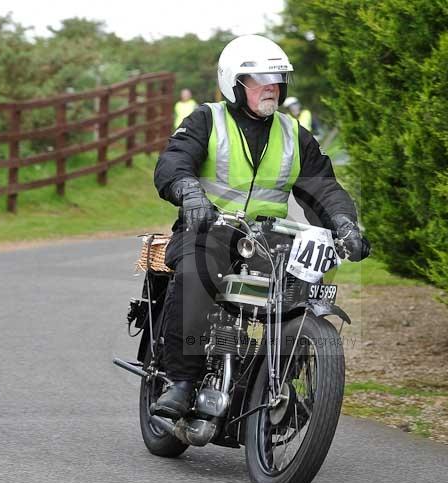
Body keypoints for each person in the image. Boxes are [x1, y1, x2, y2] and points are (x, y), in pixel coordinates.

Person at [152, 34, 370, 418]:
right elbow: (175, 161)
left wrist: (344, 223)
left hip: (268, 240)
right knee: (196, 274)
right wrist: (189, 193)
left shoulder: (293, 134)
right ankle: (181, 382)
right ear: (234, 84)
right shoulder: (208, 119)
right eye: (260, 80)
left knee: (304, 286)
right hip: (209, 229)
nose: (272, 87)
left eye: (278, 79)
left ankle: (279, 383)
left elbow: (323, 187)